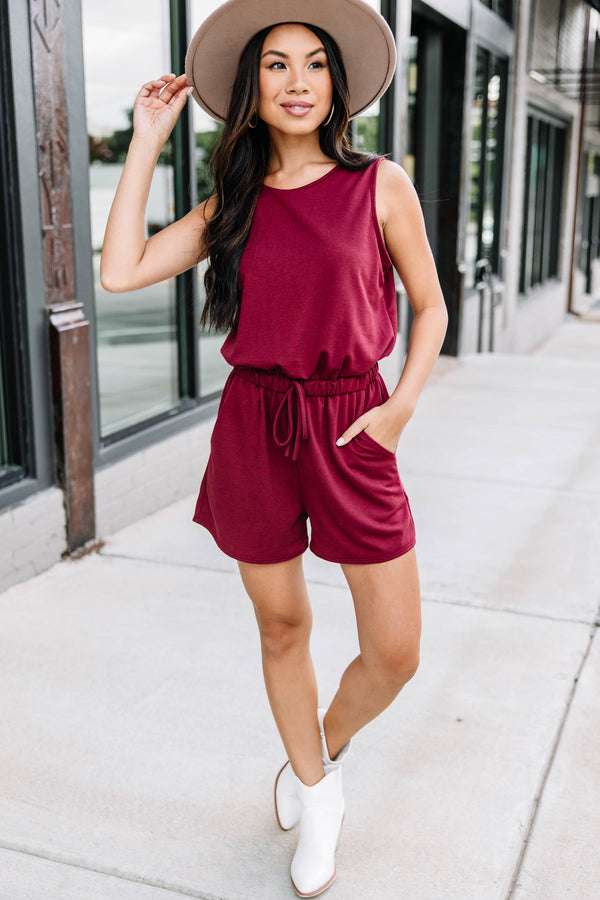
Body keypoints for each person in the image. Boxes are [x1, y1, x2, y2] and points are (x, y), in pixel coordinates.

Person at [101, 1, 448, 895]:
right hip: (255, 425)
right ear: (252, 90)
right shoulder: (234, 206)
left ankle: (314, 756)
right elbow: (121, 270)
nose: (297, 82)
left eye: (315, 65)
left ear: (336, 85)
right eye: (277, 66)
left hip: (351, 422)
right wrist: (146, 137)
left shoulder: (381, 184)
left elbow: (430, 304)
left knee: (397, 651)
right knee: (282, 624)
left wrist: (402, 405)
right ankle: (319, 796)